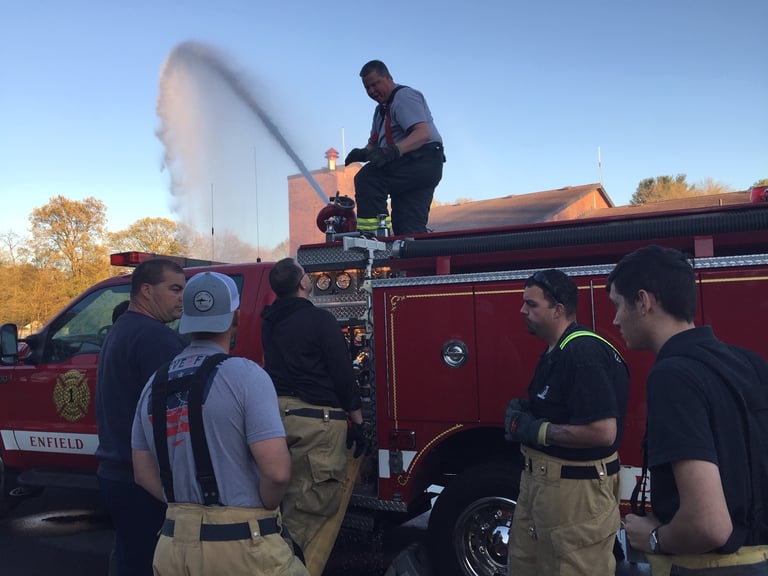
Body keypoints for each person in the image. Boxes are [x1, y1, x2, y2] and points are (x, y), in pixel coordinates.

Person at [131, 271, 308, 576]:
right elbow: (276, 472)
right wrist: (266, 507)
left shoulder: (153, 384)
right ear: (235, 317)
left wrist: (186, 508)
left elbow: (143, 473)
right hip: (243, 548)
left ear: (186, 320)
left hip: (173, 548)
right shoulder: (246, 375)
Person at [607, 245, 768, 574]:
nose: (615, 319)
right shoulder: (749, 363)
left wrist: (651, 537)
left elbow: (709, 525)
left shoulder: (671, 376)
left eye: (618, 305)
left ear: (643, 301)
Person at [505, 268, 629, 576]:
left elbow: (603, 432)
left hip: (575, 495)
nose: (522, 310)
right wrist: (529, 412)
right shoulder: (556, 351)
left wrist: (537, 429)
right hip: (545, 487)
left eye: (531, 304)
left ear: (558, 309)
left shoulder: (581, 351)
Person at [260, 258, 366, 557]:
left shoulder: (268, 321)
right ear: (303, 284)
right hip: (317, 422)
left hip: (278, 417)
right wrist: (358, 420)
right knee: (310, 508)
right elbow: (343, 373)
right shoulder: (320, 321)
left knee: (281, 505)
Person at [95, 258, 187, 576]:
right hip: (145, 480)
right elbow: (175, 417)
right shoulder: (155, 339)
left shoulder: (124, 328)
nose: (182, 297)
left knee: (129, 557)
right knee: (150, 562)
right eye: (174, 289)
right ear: (146, 291)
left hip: (117, 472)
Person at [344, 59, 445, 236]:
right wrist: (363, 153)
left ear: (389, 77)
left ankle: (371, 237)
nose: (372, 91)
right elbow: (375, 144)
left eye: (375, 84)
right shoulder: (380, 111)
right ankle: (417, 257)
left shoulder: (404, 97)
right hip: (412, 169)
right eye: (367, 88)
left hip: (422, 160)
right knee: (407, 229)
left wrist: (393, 151)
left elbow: (422, 134)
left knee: (368, 178)